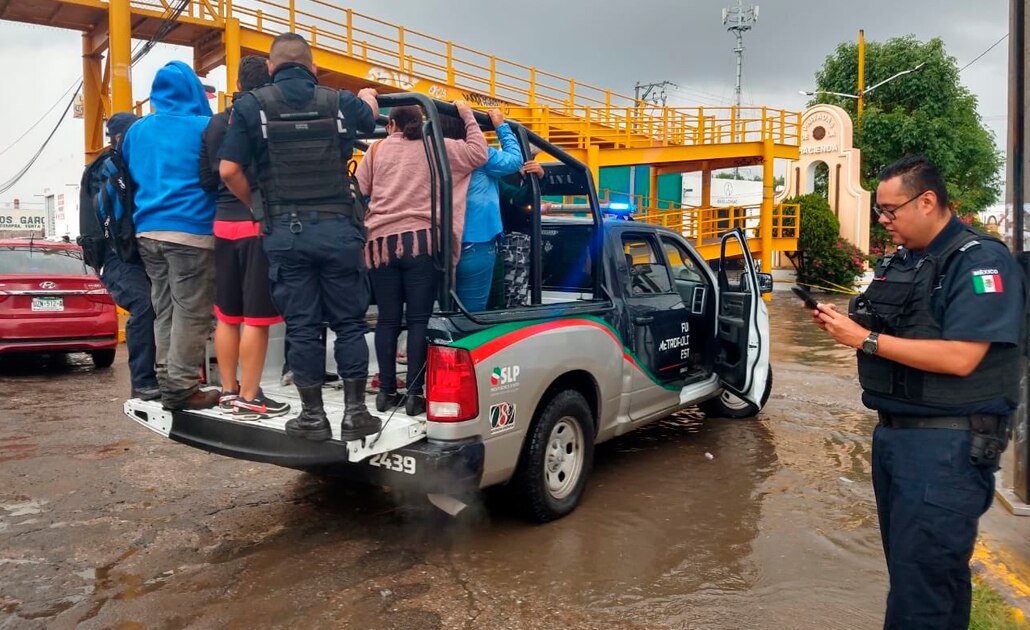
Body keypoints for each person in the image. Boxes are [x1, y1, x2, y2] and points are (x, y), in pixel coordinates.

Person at [807, 155, 1025, 628]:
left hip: (946, 446)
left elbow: (961, 357)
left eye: (891, 210)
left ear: (927, 201)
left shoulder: (979, 261)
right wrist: (847, 325)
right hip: (898, 438)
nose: (883, 221)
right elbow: (900, 331)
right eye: (879, 211)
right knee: (918, 579)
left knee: (922, 592)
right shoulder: (906, 261)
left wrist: (863, 339)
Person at [219, 32, 379, 442]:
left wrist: (259, 208)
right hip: (338, 231)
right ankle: (355, 414)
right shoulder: (338, 100)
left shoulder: (251, 106)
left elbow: (228, 170)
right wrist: (369, 97)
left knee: (303, 326)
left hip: (286, 234)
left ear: (270, 68)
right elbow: (368, 117)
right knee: (349, 324)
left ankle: (313, 417)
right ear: (313, 67)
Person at [355, 102, 487, 416]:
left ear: (391, 125)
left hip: (381, 244)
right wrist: (466, 114)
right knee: (418, 321)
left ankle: (386, 392)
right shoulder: (437, 146)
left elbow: (359, 188)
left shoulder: (376, 150)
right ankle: (415, 395)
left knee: (387, 320)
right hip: (422, 243)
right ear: (421, 123)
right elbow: (479, 153)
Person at [122, 61, 218, 411]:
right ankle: (181, 387)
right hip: (191, 231)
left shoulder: (136, 131)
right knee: (192, 312)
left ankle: (166, 379)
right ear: (192, 90)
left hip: (147, 231)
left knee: (164, 309)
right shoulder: (204, 127)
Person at [199, 55, 289, 421]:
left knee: (227, 315)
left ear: (236, 85)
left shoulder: (215, 123)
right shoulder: (270, 117)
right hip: (256, 225)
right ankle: (251, 397)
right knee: (256, 318)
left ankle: (229, 390)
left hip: (222, 225)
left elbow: (207, 178)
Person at [78, 112, 159, 401]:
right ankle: (143, 381)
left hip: (141, 253)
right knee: (144, 305)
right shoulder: (109, 167)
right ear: (119, 137)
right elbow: (115, 221)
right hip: (118, 257)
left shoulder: (132, 163)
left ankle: (175, 375)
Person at [450, 108, 524, 311]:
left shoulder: (431, 151)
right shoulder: (477, 153)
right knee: (470, 314)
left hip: (440, 242)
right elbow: (515, 160)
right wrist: (501, 127)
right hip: (476, 241)